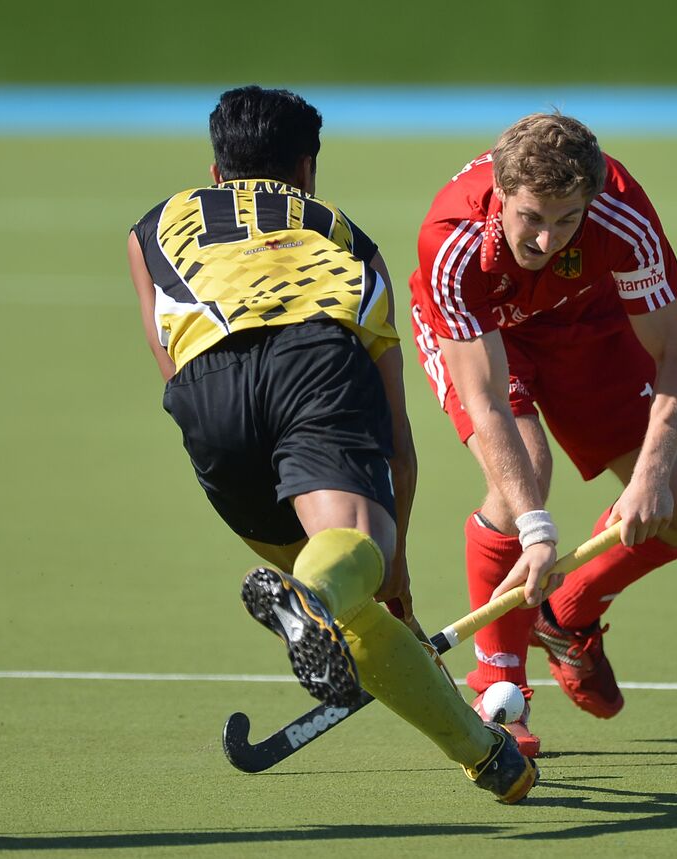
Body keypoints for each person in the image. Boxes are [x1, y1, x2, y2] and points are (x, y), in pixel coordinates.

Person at [125, 85, 536, 803]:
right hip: (314, 361)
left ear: (217, 171)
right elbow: (396, 436)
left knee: (348, 605)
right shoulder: (341, 233)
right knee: (352, 562)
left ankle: (492, 759)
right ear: (307, 168)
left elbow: (168, 355)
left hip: (206, 392)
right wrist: (395, 562)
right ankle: (314, 596)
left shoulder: (152, 227)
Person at [408, 113, 677, 756]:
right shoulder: (452, 239)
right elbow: (487, 400)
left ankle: (566, 611)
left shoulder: (619, 214)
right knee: (525, 474)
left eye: (566, 220)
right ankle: (499, 691)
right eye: (531, 219)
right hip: (489, 336)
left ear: (591, 201)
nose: (547, 240)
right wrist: (537, 529)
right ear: (500, 191)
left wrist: (652, 474)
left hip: (587, 318)